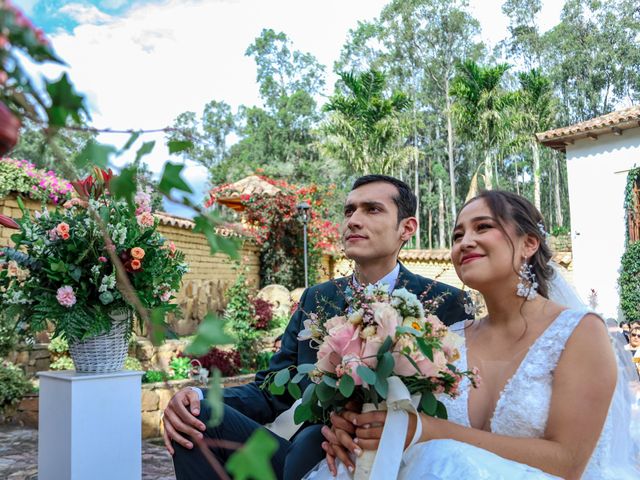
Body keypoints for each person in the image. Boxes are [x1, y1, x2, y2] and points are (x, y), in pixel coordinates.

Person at [317, 190, 640, 479]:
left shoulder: (579, 332)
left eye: (483, 227)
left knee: (441, 456)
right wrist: (355, 428)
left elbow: (569, 463)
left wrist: (428, 430)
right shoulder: (446, 339)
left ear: (529, 243)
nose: (465, 242)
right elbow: (402, 420)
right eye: (458, 235)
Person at [163, 175, 470, 480]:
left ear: (407, 228)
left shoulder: (443, 302)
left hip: (393, 456)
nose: (353, 221)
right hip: (305, 450)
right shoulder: (318, 298)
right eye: (349, 211)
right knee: (191, 417)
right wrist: (198, 397)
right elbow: (271, 391)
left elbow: (455, 402)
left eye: (372, 209)